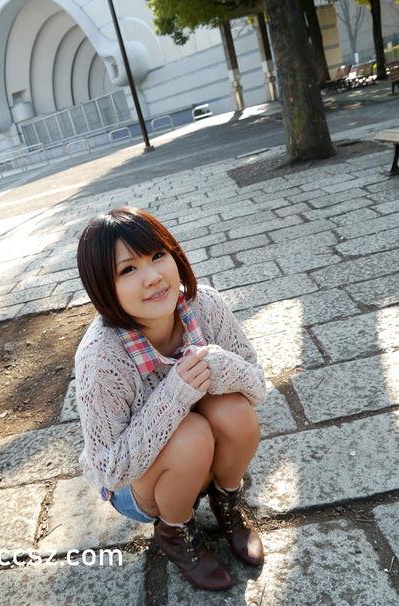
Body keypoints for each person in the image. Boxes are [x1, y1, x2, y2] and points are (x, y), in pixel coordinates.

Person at [75, 206, 267, 591]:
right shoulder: (101, 358)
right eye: (128, 270)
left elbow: (257, 388)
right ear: (103, 287)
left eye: (158, 255)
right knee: (190, 434)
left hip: (203, 457)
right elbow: (111, 470)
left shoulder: (205, 305)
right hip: (138, 485)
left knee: (234, 410)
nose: (153, 277)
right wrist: (175, 394)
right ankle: (175, 530)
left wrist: (221, 365)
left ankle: (226, 499)